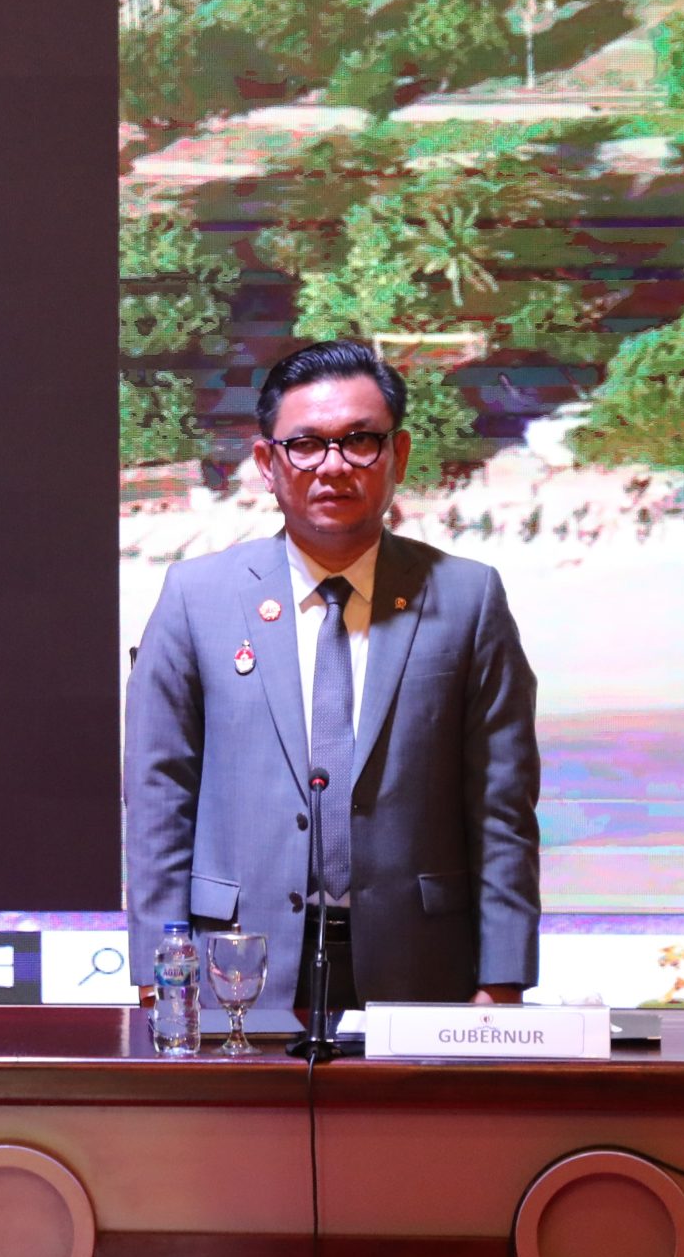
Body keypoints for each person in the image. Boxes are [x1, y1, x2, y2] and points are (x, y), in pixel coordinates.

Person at [124, 340, 539, 1013]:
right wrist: (158, 971)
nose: (334, 465)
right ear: (267, 463)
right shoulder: (195, 597)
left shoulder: (469, 598)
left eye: (360, 441)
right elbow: (157, 798)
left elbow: (502, 807)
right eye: (307, 445)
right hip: (234, 962)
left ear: (398, 454)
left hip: (422, 964)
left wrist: (503, 976)